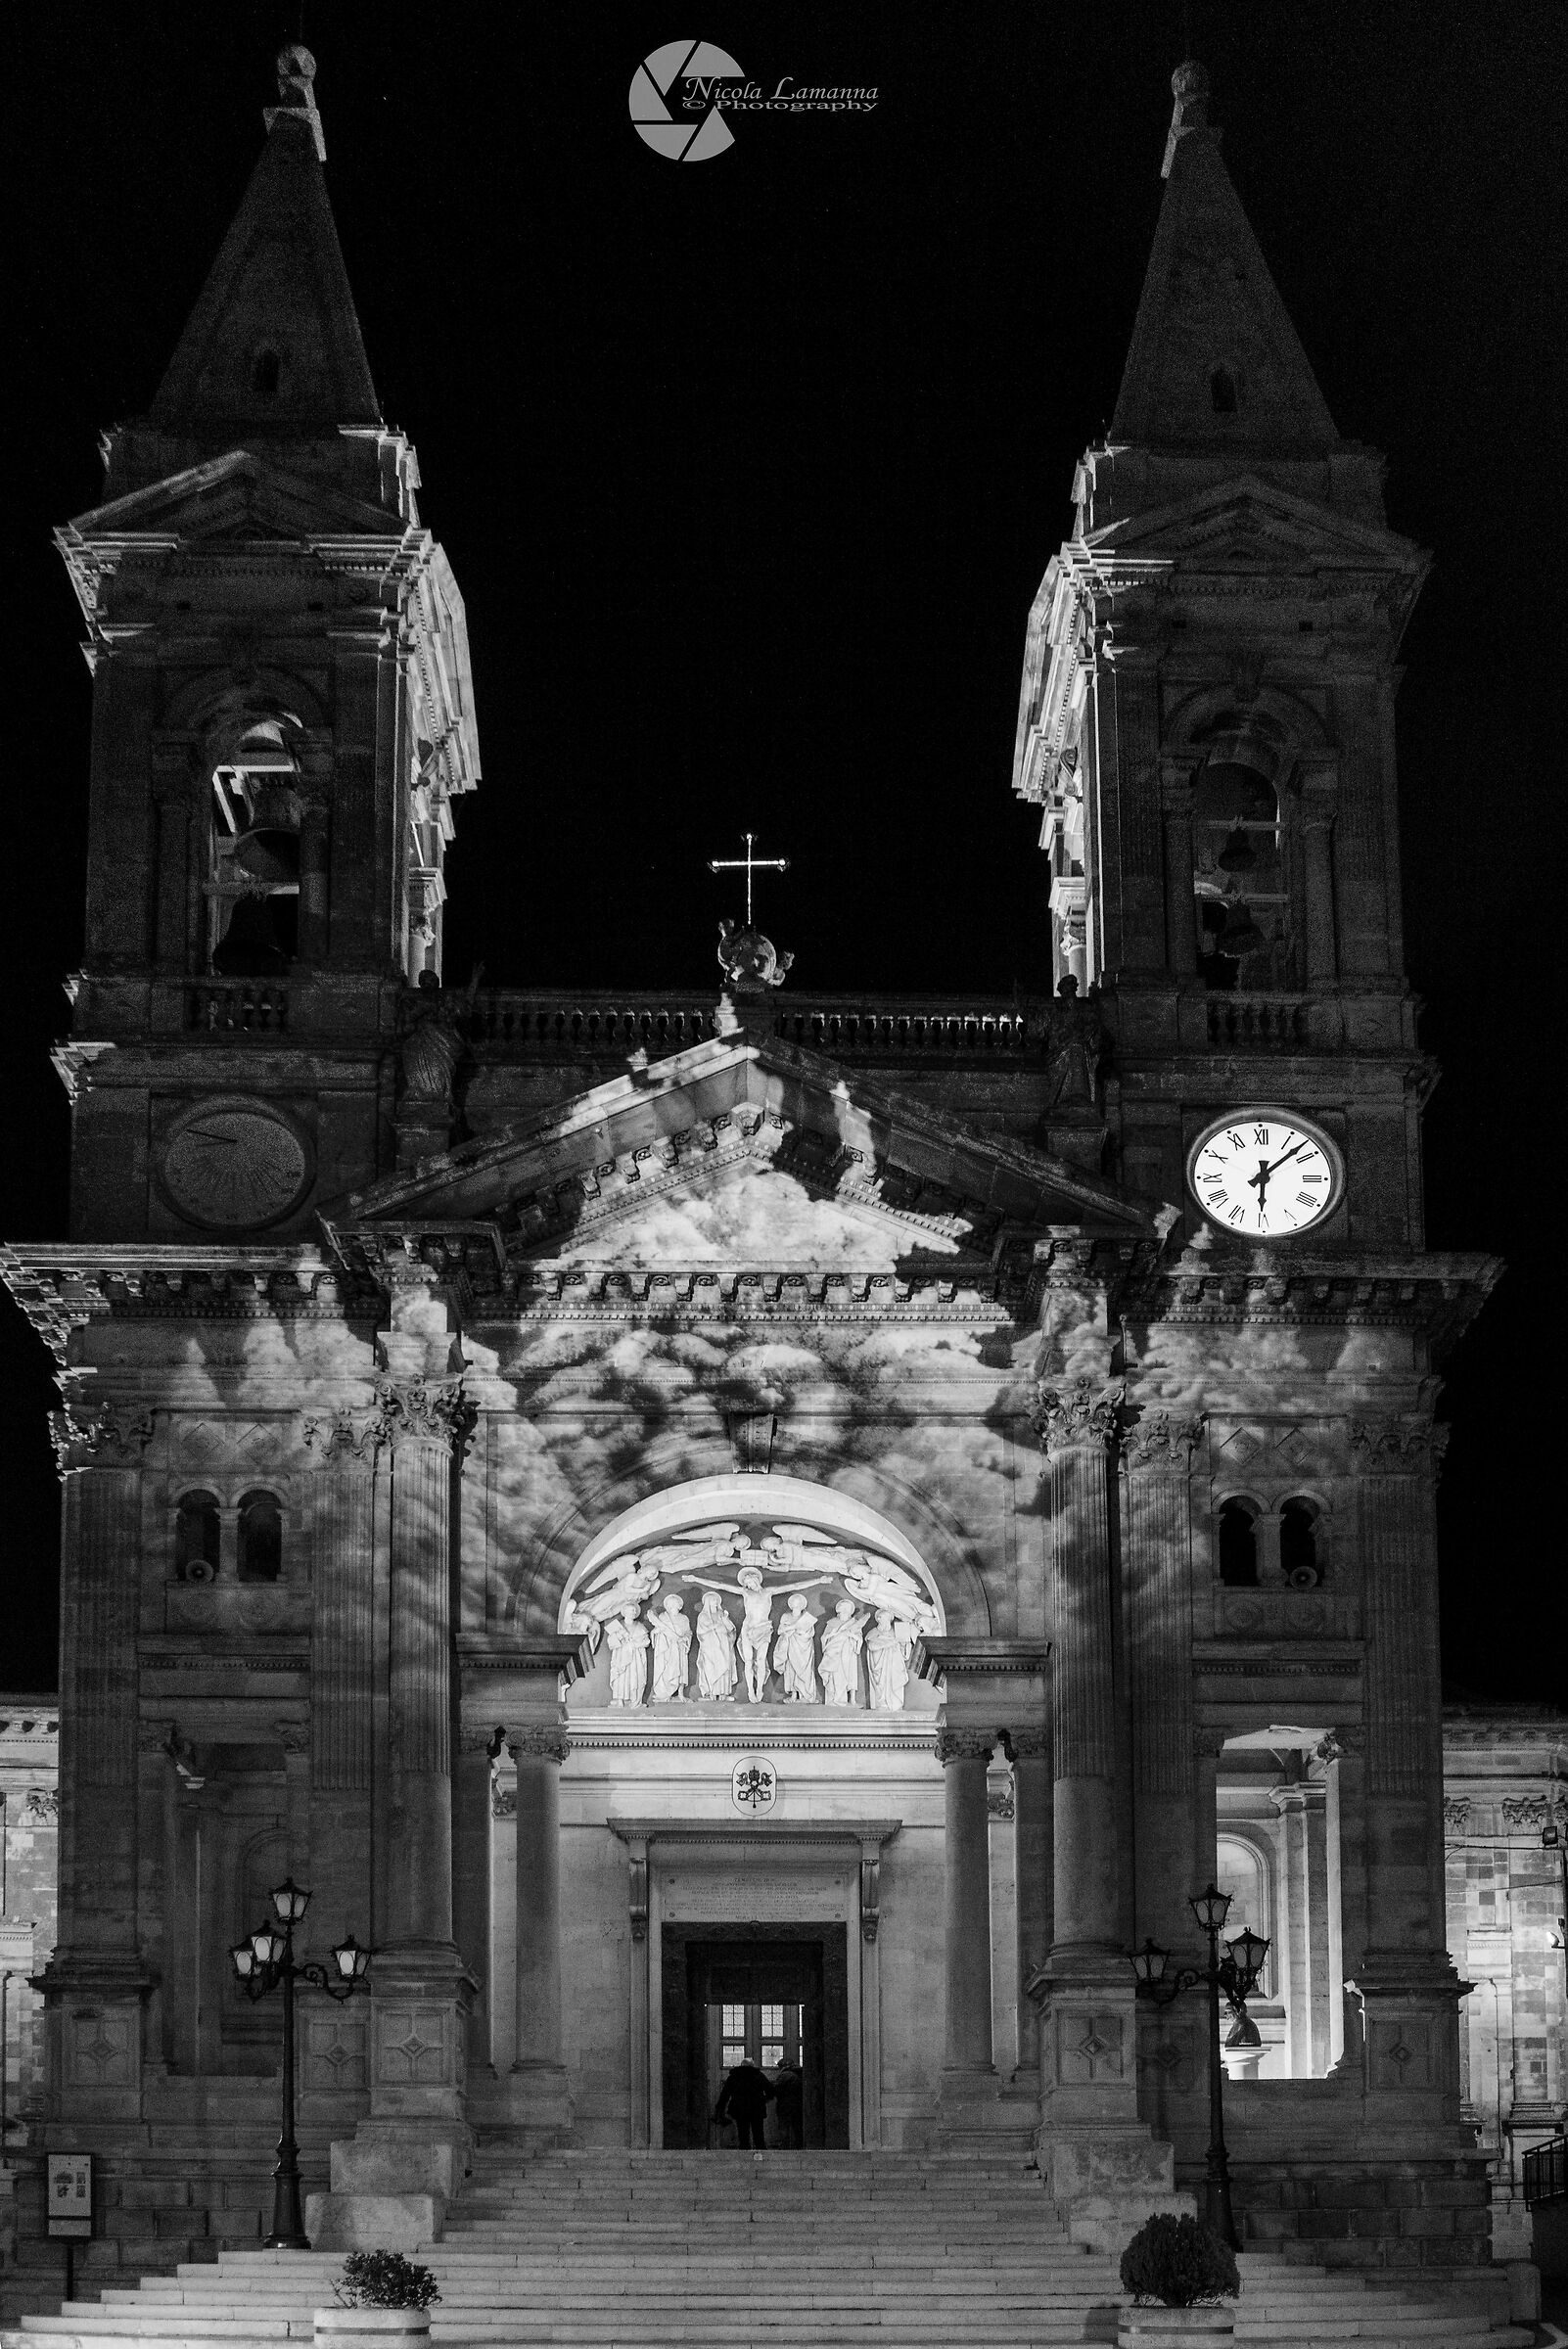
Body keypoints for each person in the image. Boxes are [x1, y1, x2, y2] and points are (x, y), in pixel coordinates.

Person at [714, 2058, 775, 2149]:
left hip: (739, 2109)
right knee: (758, 2133)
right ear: (752, 2066)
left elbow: (725, 2094)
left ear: (741, 2065)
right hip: (757, 2108)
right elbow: (770, 2091)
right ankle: (761, 2154)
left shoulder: (734, 2076)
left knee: (743, 2133)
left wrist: (720, 2107)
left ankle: (744, 2153)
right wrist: (764, 2100)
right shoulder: (759, 2075)